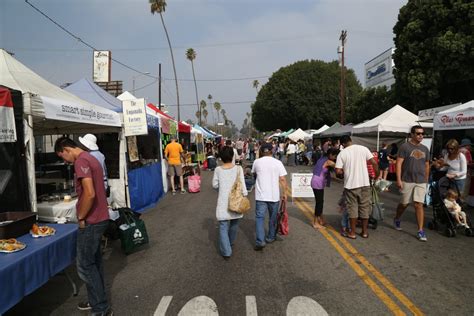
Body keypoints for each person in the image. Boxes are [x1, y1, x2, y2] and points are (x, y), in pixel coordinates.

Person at [54, 137, 112, 315]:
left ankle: (100, 307)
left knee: (85, 266)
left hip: (92, 220)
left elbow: (90, 193)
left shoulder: (81, 161)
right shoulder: (91, 157)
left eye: (62, 157)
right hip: (101, 217)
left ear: (66, 149)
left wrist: (81, 216)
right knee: (94, 263)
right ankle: (98, 301)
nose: (65, 161)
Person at [335, 135, 379, 239]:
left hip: (351, 186)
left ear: (342, 144)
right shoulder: (363, 148)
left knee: (352, 209)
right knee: (365, 208)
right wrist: (376, 176)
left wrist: (342, 175)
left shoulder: (342, 153)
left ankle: (353, 233)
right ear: (351, 140)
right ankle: (364, 232)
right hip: (365, 184)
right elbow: (374, 163)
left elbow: (338, 171)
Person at [394, 126, 430, 242]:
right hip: (407, 180)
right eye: (418, 133)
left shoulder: (425, 148)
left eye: (422, 133)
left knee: (418, 204)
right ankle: (397, 218)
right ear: (412, 134)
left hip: (420, 181)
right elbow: (398, 163)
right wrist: (398, 179)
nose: (421, 136)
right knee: (404, 204)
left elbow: (427, 165)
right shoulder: (405, 147)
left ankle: (420, 230)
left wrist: (426, 179)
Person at [212, 146, 248, 260]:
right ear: (232, 156)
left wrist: (222, 190)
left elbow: (215, 185)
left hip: (223, 201)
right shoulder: (238, 169)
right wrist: (244, 194)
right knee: (234, 223)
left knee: (223, 225)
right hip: (236, 201)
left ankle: (226, 251)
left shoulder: (218, 170)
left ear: (221, 158)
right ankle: (230, 242)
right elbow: (242, 184)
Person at [252, 142, 288, 251]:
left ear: (262, 151)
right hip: (274, 196)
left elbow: (254, 174)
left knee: (259, 218)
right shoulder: (278, 163)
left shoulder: (256, 162)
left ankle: (260, 241)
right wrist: (285, 193)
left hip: (261, 196)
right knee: (273, 217)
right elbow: (282, 179)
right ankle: (271, 236)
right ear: (272, 151)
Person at [310, 148, 339, 229]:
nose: (335, 158)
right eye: (335, 156)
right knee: (319, 203)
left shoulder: (322, 158)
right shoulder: (329, 161)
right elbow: (338, 167)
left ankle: (321, 219)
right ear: (330, 155)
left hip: (316, 180)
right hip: (318, 182)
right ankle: (315, 222)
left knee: (320, 201)